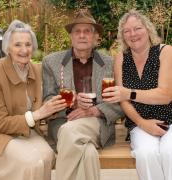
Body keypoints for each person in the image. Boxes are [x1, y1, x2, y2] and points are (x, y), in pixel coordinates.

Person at [42, 9, 123, 180]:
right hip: (64, 121)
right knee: (88, 153)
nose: (82, 35)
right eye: (77, 31)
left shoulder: (110, 63)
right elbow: (48, 99)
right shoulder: (51, 62)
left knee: (69, 133)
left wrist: (94, 111)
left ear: (95, 38)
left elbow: (119, 102)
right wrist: (71, 102)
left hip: (96, 123)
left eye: (87, 31)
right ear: (71, 37)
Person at [0, 20, 67, 180]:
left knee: (47, 155)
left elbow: (40, 110)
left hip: (26, 132)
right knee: (31, 162)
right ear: (8, 49)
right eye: (18, 45)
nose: (24, 50)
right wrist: (36, 115)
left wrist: (53, 108)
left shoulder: (35, 69)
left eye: (28, 44)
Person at [102, 9, 172, 180]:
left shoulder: (166, 52)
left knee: (169, 152)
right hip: (139, 124)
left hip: (170, 120)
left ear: (148, 29)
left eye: (137, 28)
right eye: (127, 31)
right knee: (146, 154)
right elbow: (122, 100)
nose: (133, 34)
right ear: (123, 36)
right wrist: (142, 123)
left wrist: (129, 93)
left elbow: (165, 95)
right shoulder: (121, 58)